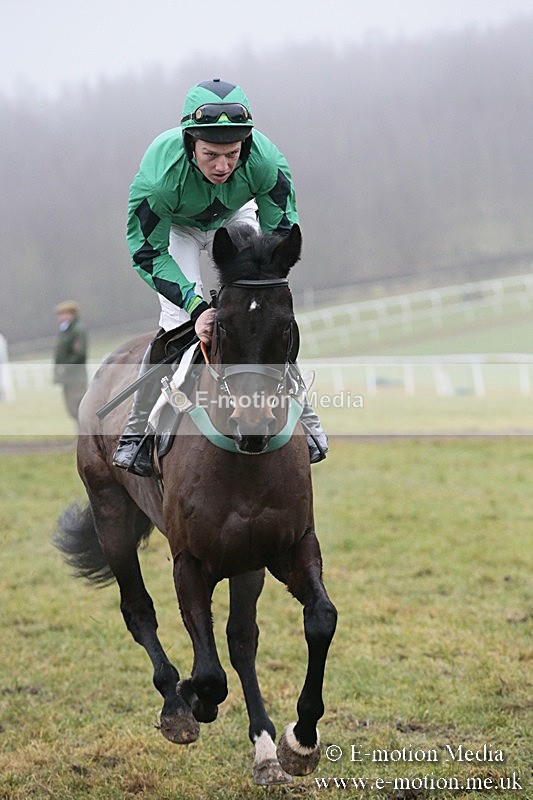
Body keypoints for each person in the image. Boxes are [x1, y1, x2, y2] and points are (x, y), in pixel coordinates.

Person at [113, 78, 328, 476]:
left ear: (244, 145)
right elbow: (146, 252)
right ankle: (138, 430)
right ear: (189, 142)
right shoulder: (159, 179)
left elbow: (281, 234)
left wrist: (267, 287)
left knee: (262, 315)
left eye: (231, 154)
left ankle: (308, 418)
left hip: (235, 214)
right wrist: (197, 307)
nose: (223, 165)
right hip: (175, 230)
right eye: (210, 154)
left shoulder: (266, 162)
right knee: (177, 322)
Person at [53, 300, 88, 424]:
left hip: (76, 377)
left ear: (70, 314)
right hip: (67, 378)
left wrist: (65, 367)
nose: (60, 318)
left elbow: (79, 354)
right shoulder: (65, 331)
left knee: (79, 408)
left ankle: (85, 439)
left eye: (62, 314)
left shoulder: (77, 330)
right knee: (72, 410)